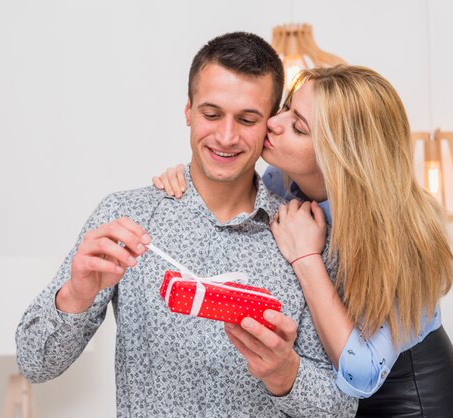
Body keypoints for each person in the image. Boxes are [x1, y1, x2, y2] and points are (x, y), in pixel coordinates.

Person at [15, 32, 357, 417]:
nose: (226, 137)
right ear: (188, 112)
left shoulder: (304, 236)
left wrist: (285, 375)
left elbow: (343, 409)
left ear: (271, 125)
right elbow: (34, 363)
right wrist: (75, 295)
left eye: (247, 119)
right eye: (211, 114)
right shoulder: (127, 218)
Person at [153, 65, 453, 416]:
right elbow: (232, 194)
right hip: (331, 398)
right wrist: (188, 176)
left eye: (298, 127)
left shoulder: (403, 235)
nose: (274, 124)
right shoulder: (281, 179)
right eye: (286, 108)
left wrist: (306, 258)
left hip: (407, 397)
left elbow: (362, 374)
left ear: (340, 157)